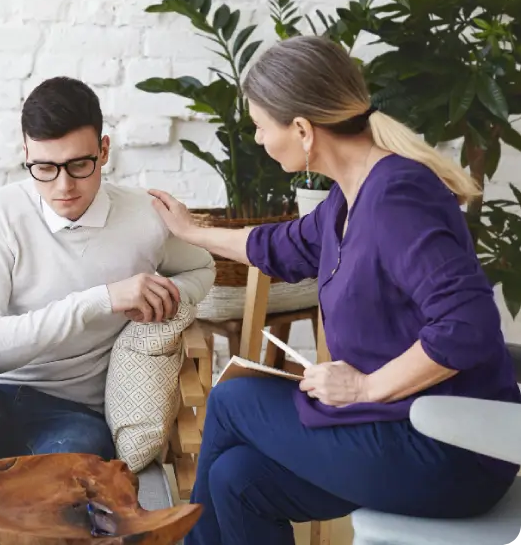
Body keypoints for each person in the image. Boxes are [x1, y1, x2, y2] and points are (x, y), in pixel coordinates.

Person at [149, 35, 521, 545]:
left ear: (302, 129)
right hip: (395, 431)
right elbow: (277, 245)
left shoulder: (397, 197)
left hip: (450, 449)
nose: (257, 139)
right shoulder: (348, 199)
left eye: (260, 127)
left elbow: (468, 328)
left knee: (235, 400)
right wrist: (192, 230)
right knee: (236, 479)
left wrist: (365, 387)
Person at [0, 77, 215, 545]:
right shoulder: (2, 212)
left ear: (104, 151)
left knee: (77, 482)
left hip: (72, 415)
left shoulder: (144, 217)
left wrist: (162, 292)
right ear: (26, 155)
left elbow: (204, 268)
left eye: (79, 165)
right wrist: (101, 299)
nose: (63, 185)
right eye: (44, 168)